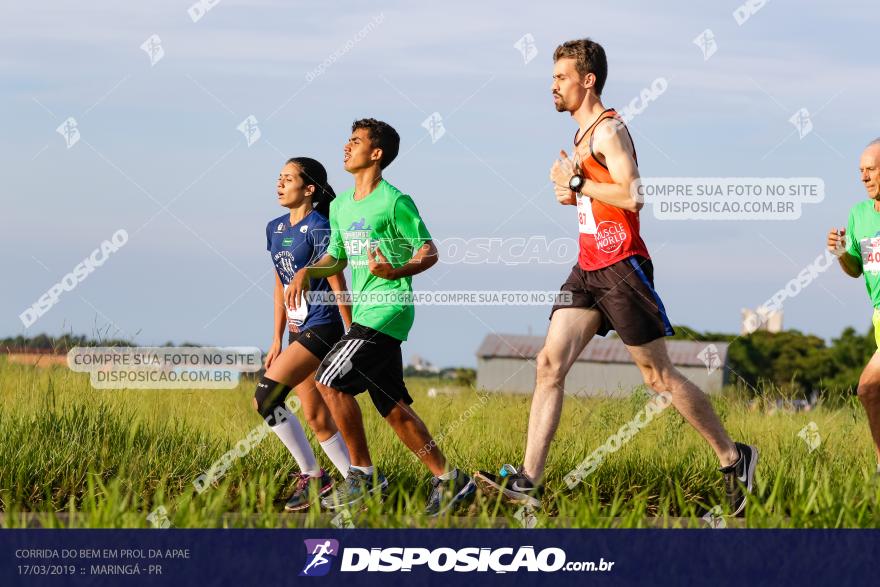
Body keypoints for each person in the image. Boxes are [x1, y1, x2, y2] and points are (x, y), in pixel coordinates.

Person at [474, 38, 757, 515]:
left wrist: (580, 181)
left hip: (622, 266)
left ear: (588, 80)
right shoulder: (583, 139)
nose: (553, 86)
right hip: (588, 268)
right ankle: (528, 480)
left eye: (560, 78)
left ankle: (734, 458)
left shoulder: (609, 131)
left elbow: (633, 196)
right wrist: (571, 191)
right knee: (549, 365)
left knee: (658, 377)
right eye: (552, 78)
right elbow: (596, 198)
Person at [287, 118, 475, 516]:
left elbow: (428, 251)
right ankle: (449, 479)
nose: (346, 146)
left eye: (354, 141)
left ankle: (364, 476)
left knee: (329, 380)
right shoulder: (338, 206)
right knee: (392, 407)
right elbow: (337, 256)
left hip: (390, 308)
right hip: (366, 309)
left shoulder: (394, 201)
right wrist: (308, 271)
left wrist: (395, 271)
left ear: (376, 153)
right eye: (347, 139)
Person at [254, 157, 353, 511]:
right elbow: (281, 283)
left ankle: (313, 476)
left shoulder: (319, 226)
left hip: (323, 325)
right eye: (278, 178)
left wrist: (351, 329)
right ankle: (358, 486)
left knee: (265, 397)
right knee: (316, 416)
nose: (280, 184)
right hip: (296, 332)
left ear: (309, 188)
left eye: (288, 179)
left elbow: (337, 275)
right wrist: (276, 338)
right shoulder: (275, 228)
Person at [826, 138, 880, 474]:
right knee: (871, 392)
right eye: (861, 171)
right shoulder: (858, 214)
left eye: (871, 169)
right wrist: (841, 252)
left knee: (868, 388)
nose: (864, 177)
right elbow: (855, 269)